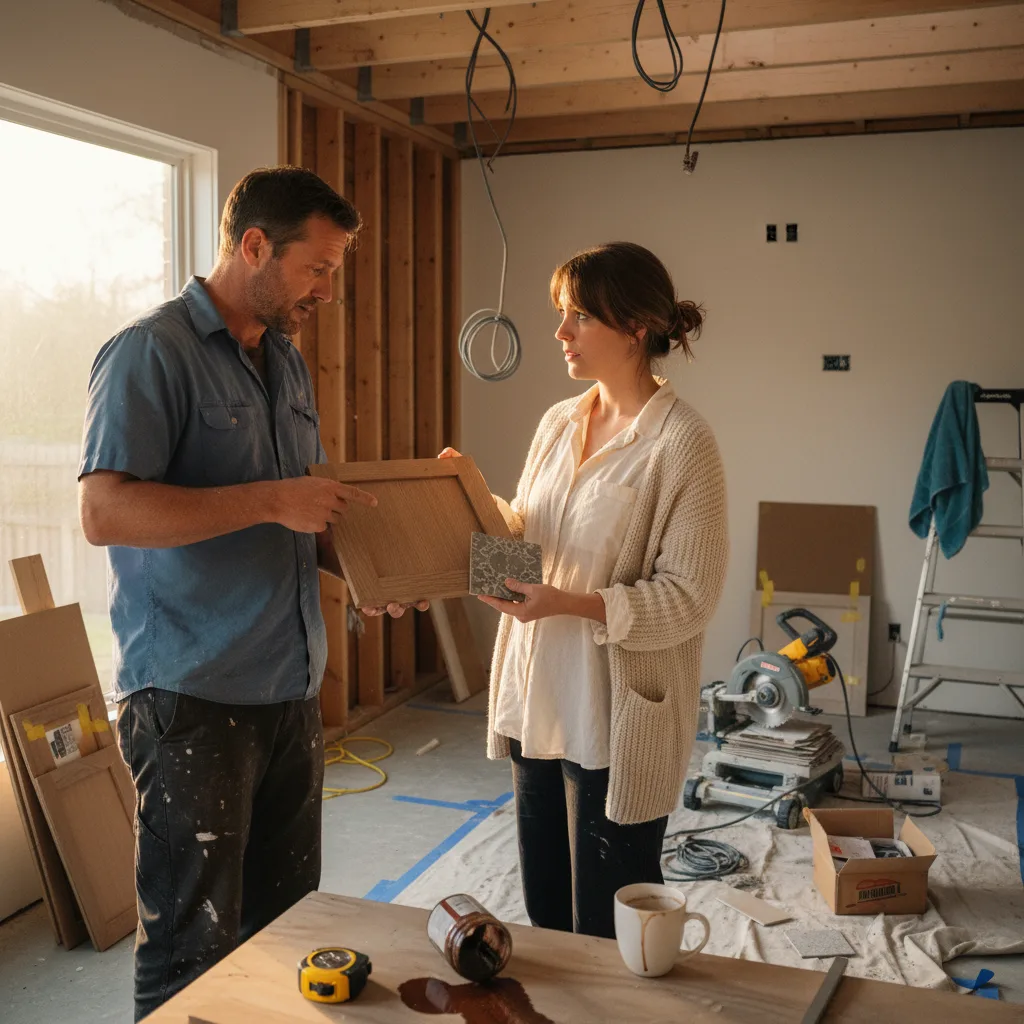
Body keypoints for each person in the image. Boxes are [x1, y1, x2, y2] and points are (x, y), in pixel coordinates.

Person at [79, 167, 420, 1020]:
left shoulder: (285, 360)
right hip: (191, 697)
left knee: (287, 933)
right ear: (255, 245)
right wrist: (270, 500)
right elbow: (104, 511)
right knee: (190, 951)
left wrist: (371, 574)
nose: (327, 291)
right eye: (318, 268)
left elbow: (301, 516)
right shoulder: (150, 352)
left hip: (287, 687)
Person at [441, 241, 728, 939]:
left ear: (635, 327)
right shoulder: (558, 422)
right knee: (545, 915)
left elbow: (689, 597)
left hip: (611, 722)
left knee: (606, 930)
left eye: (579, 317)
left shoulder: (682, 443)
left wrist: (568, 604)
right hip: (536, 702)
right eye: (562, 314)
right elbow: (527, 536)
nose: (560, 332)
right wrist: (466, 498)